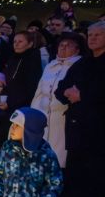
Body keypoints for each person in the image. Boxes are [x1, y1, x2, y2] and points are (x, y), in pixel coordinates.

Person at [54, 21, 105, 197]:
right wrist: (67, 93)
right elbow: (61, 88)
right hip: (76, 124)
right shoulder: (81, 63)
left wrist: (82, 95)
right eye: (90, 35)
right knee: (76, 166)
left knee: (97, 167)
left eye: (98, 35)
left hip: (98, 124)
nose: (92, 39)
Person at [30, 32, 83, 169]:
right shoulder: (50, 65)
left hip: (62, 117)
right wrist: (33, 113)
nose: (63, 48)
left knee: (59, 152)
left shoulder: (79, 65)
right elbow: (39, 92)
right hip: (43, 114)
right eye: (61, 45)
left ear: (77, 49)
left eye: (68, 46)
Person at [3, 31, 43, 113]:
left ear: (30, 44)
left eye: (20, 41)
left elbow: (30, 86)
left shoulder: (32, 60)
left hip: (22, 106)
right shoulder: (13, 58)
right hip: (7, 102)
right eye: (14, 41)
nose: (16, 44)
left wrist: (11, 102)